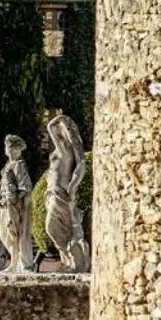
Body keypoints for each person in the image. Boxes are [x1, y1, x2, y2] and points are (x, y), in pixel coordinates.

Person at [44, 114, 91, 273]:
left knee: (55, 227)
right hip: (51, 192)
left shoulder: (66, 150)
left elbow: (50, 127)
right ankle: (68, 259)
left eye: (63, 130)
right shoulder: (60, 149)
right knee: (55, 228)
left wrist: (72, 186)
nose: (58, 133)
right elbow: (50, 126)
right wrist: (61, 118)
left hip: (61, 193)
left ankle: (75, 260)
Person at [0, 134, 36, 273]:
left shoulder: (19, 165)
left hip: (15, 205)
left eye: (11, 147)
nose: (8, 150)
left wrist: (16, 201)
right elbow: (2, 185)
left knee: (16, 233)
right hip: (5, 204)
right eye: (7, 147)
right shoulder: (8, 165)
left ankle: (22, 264)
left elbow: (25, 186)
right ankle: (14, 262)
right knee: (6, 234)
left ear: (17, 150)